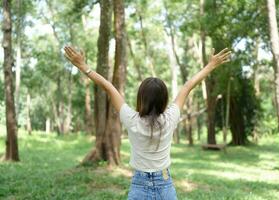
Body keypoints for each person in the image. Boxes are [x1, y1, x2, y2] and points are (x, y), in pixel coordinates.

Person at [64, 46, 231, 200]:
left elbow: (109, 88)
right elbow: (188, 87)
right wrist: (210, 66)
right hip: (165, 185)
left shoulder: (131, 119)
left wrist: (83, 66)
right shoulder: (170, 118)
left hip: (139, 186)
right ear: (164, 99)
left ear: (141, 98)